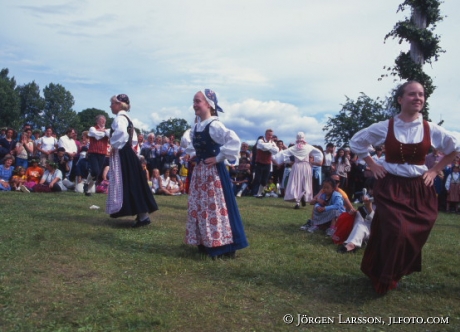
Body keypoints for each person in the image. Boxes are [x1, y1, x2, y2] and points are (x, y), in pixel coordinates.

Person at [350, 80, 460, 294]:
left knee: (413, 232)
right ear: (400, 99)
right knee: (395, 231)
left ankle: (390, 271)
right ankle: (384, 276)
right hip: (392, 186)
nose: (418, 98)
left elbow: (453, 148)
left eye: (421, 94)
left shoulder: (431, 128)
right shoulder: (386, 126)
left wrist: (434, 169)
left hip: (419, 187)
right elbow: (357, 142)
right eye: (412, 94)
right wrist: (372, 164)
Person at [185, 89, 248, 259]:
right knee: (201, 207)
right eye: (194, 101)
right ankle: (206, 241)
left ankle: (223, 245)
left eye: (198, 101)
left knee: (215, 207)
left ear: (209, 104)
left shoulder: (214, 125)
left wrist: (219, 157)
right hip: (200, 172)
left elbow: (233, 141)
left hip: (213, 173)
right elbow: (193, 146)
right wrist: (193, 155)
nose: (194, 104)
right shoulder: (197, 127)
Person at [106, 94, 158, 227]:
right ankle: (142, 216)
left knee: (127, 183)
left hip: (122, 153)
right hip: (128, 152)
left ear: (119, 104)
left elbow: (122, 133)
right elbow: (133, 139)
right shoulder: (128, 118)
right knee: (133, 183)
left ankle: (142, 216)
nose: (110, 106)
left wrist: (114, 145)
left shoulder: (119, 119)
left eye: (112, 103)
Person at [272, 132, 323, 209]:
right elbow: (319, 153)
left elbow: (284, 154)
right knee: (305, 183)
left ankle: (297, 202)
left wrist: (281, 160)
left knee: (296, 184)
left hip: (297, 166)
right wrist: (316, 161)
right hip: (306, 166)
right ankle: (304, 195)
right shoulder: (309, 147)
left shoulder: (294, 147)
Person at [85, 115, 111, 196]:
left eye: (104, 120)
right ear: (97, 121)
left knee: (96, 173)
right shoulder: (92, 128)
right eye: (101, 120)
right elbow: (96, 136)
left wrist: (102, 132)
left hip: (102, 153)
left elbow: (109, 134)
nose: (103, 122)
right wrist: (103, 132)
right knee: (95, 171)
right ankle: (86, 184)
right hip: (93, 152)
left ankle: (87, 187)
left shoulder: (108, 130)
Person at [251, 129, 279, 197]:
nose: (270, 136)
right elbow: (263, 147)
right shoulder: (260, 140)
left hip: (267, 163)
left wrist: (267, 147)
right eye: (269, 135)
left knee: (264, 180)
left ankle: (259, 193)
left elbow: (276, 151)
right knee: (257, 178)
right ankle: (254, 192)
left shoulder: (273, 142)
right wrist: (271, 147)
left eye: (271, 135)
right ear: (265, 134)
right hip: (259, 162)